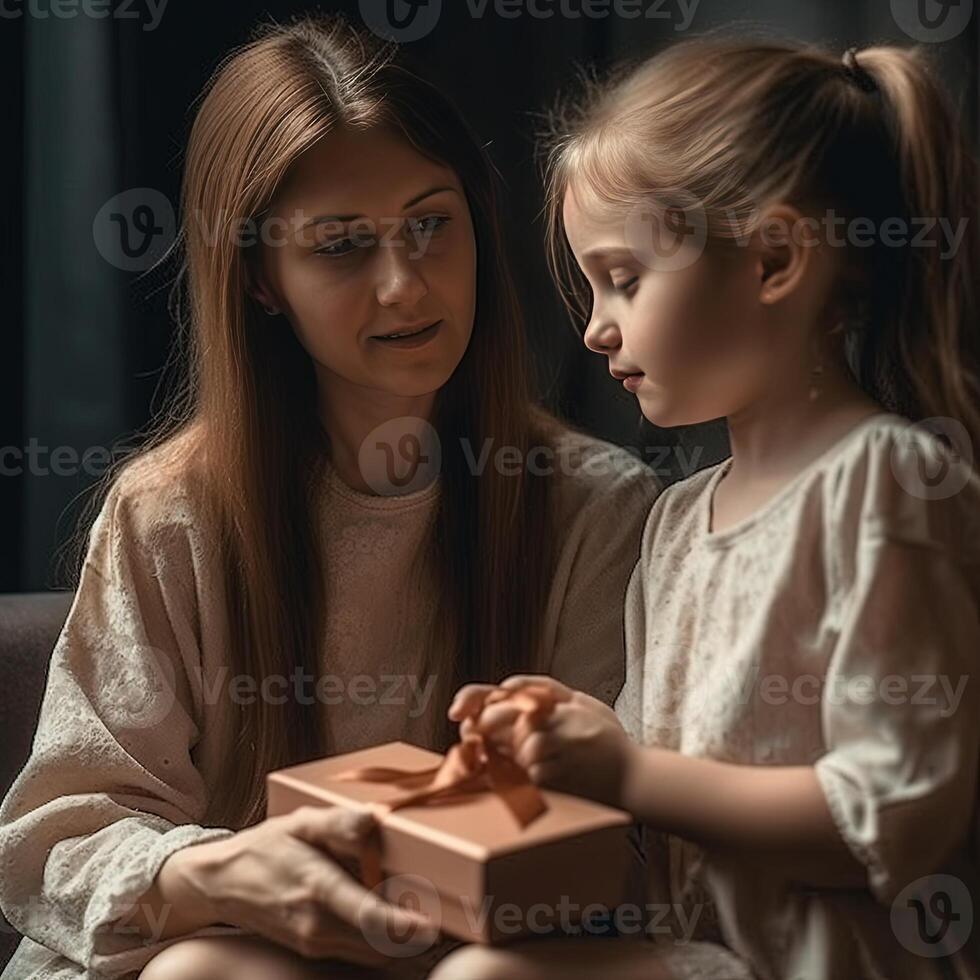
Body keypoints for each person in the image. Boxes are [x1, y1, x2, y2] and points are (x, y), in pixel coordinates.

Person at [0, 14, 660, 980]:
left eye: (431, 225)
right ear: (263, 279)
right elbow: (54, 842)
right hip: (223, 951)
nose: (404, 285)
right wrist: (221, 872)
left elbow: (627, 842)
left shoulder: (594, 506)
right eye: (343, 245)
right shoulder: (168, 514)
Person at [437, 36, 980, 980]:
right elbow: (654, 792)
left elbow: (891, 820)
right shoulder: (679, 521)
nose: (595, 327)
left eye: (625, 278)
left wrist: (631, 775)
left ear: (773, 259)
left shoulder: (887, 488)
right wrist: (570, 743)